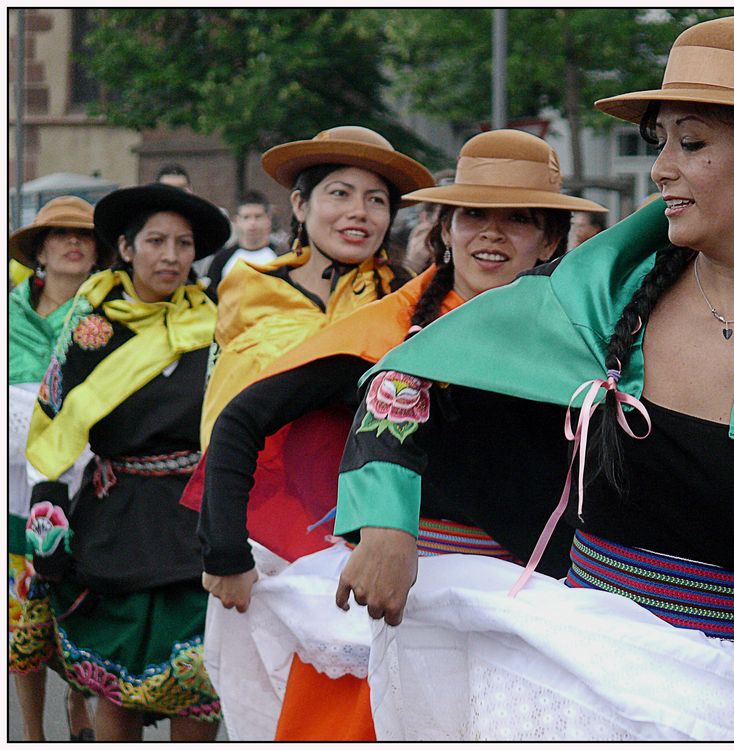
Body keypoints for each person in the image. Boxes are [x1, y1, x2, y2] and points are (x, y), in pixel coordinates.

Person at [333, 16, 734, 741]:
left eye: (693, 142)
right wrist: (385, 517)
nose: (660, 168)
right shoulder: (600, 293)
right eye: (663, 141)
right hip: (575, 677)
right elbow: (404, 375)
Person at [194, 129, 606, 740]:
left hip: (526, 610)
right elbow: (241, 420)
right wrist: (223, 549)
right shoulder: (386, 329)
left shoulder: (584, 341)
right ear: (445, 228)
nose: (490, 233)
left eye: (517, 219)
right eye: (472, 216)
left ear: (550, 238)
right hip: (391, 603)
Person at [23, 183, 229, 741]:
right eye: (156, 241)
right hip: (116, 518)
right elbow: (57, 417)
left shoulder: (217, 325)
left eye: (183, 244)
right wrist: (49, 508)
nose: (171, 255)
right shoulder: (91, 329)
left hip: (196, 519)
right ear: (126, 247)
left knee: (199, 684)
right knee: (117, 684)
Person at [191, 126, 433, 456]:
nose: (359, 212)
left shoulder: (407, 298)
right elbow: (220, 398)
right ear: (300, 205)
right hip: (256, 488)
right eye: (340, 194)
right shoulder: (247, 288)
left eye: (376, 199)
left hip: (366, 492)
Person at [8, 196, 112, 741]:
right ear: (40, 249)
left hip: (90, 502)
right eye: (61, 235)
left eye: (85, 235)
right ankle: (31, 735)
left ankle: (80, 711)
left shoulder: (110, 315)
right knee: (20, 632)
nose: (74, 243)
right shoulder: (7, 315)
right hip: (15, 505)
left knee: (81, 621)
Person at [202, 191, 279, 300]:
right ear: (237, 220)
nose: (252, 223)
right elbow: (210, 299)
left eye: (258, 216)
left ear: (268, 218)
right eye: (246, 217)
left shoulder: (281, 257)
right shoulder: (221, 259)